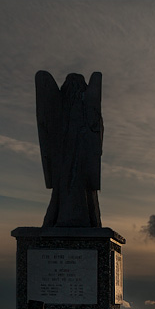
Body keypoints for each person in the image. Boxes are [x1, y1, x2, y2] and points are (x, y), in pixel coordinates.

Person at [35, 71, 103, 227]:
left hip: (71, 162)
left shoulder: (64, 109)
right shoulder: (68, 110)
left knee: (76, 187)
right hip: (68, 160)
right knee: (71, 187)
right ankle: (73, 216)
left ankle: (74, 216)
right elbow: (96, 127)